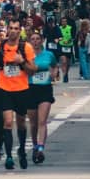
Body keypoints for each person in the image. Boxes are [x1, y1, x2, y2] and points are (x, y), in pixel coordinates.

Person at [0, 19, 37, 170]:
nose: (13, 31)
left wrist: (22, 61)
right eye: (10, 28)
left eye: (16, 28)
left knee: (21, 122)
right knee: (8, 122)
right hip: (4, 88)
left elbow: (32, 69)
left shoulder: (26, 47)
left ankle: (22, 150)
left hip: (22, 88)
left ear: (20, 31)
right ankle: (9, 156)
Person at [27, 32, 57, 164]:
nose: (35, 41)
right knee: (33, 123)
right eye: (32, 39)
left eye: (38, 39)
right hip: (30, 88)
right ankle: (34, 145)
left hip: (45, 89)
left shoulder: (49, 54)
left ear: (42, 40)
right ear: (29, 41)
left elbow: (55, 66)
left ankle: (40, 148)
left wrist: (53, 74)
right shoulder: (27, 55)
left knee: (42, 121)